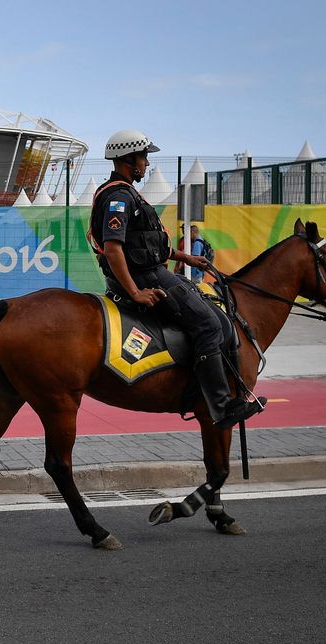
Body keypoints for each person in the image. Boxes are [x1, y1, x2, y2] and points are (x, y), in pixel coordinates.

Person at [89, 129, 264, 429]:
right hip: (147, 280)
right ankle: (220, 406)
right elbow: (114, 249)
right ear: (129, 159)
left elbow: (146, 245)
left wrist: (186, 258)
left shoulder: (127, 193)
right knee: (209, 324)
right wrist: (135, 292)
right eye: (143, 157)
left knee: (215, 314)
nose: (146, 163)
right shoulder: (118, 197)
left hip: (154, 272)